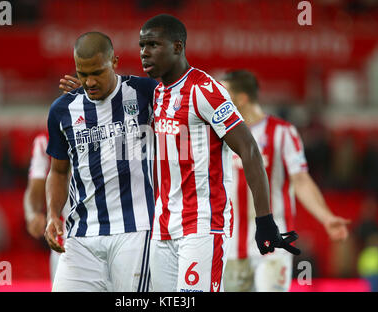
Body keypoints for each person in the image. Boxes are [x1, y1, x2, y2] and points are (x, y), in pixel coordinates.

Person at [138, 14, 300, 292]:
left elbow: (249, 149)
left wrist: (264, 220)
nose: (144, 53)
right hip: (162, 225)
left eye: (153, 44)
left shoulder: (205, 90)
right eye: (141, 45)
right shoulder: (156, 93)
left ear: (178, 47)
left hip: (202, 224)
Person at [44, 32, 157, 292]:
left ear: (114, 62)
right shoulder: (62, 110)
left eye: (97, 72)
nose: (89, 81)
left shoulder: (144, 93)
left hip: (136, 231)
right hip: (81, 235)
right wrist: (52, 214)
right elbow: (59, 172)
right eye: (82, 74)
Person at [219, 70, 350, 292]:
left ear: (241, 98)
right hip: (229, 247)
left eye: (224, 94)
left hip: (274, 244)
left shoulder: (282, 132)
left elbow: (301, 180)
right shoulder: (219, 135)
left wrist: (326, 217)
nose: (217, 100)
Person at [23, 132, 70, 283]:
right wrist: (32, 213)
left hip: (109, 235)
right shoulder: (45, 142)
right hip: (65, 245)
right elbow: (35, 186)